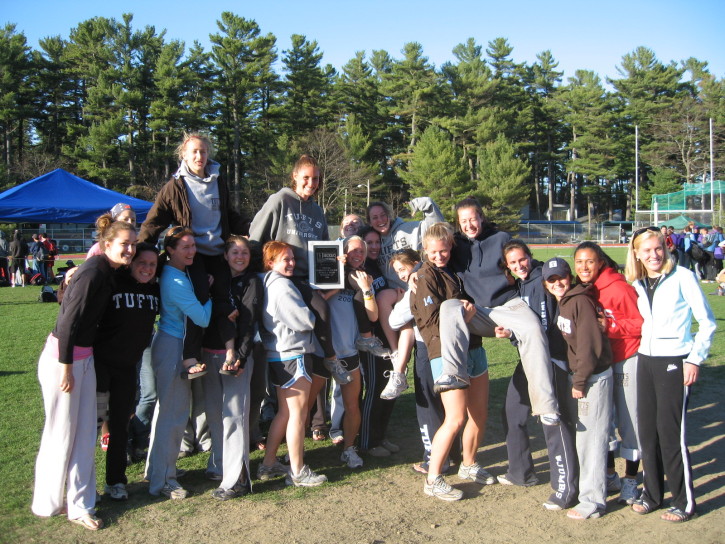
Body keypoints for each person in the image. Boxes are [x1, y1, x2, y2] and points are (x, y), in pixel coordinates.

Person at [31, 219, 137, 531]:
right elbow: (67, 321)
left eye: (133, 243)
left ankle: (78, 501)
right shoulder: (94, 272)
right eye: (124, 244)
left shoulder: (108, 271)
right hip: (64, 361)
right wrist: (66, 367)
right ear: (107, 245)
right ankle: (52, 501)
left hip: (84, 358)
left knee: (83, 434)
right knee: (62, 433)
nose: (129, 250)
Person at [438, 198, 558, 425]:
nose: (469, 225)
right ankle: (453, 373)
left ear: (481, 217)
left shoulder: (501, 239)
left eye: (473, 219)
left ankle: (546, 406)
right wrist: (415, 271)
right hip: (478, 311)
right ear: (458, 223)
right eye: (463, 221)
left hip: (509, 306)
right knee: (448, 307)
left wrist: (549, 273)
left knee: (533, 330)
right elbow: (435, 252)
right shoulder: (455, 244)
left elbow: (522, 259)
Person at [626, 227, 716, 522]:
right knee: (647, 433)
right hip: (645, 360)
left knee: (670, 434)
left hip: (675, 361)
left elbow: (707, 322)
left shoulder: (683, 277)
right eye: (646, 250)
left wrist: (694, 360)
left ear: (665, 248)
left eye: (658, 249)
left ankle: (683, 501)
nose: (654, 255)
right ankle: (652, 494)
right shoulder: (637, 282)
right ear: (637, 254)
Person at [139, 133, 249, 371]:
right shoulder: (174, 187)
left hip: (218, 252)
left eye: (204, 151)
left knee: (225, 299)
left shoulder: (218, 181)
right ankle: (191, 357)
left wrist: (253, 230)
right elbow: (154, 222)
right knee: (199, 298)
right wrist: (138, 250)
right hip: (194, 255)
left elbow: (229, 215)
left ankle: (231, 351)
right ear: (184, 155)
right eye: (194, 152)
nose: (200, 156)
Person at [249, 154, 350, 386]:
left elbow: (324, 247)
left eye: (316, 179)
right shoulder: (280, 200)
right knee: (280, 336)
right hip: (281, 277)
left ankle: (327, 364)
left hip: (306, 278)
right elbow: (256, 238)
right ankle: (273, 396)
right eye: (306, 178)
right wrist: (259, 276)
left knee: (320, 313)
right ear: (295, 177)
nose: (311, 183)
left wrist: (336, 261)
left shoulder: (317, 211)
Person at [411, 222, 494, 501]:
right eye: (433, 252)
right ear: (424, 250)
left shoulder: (457, 268)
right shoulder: (424, 276)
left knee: (478, 414)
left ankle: (469, 465)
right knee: (455, 418)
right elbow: (431, 324)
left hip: (474, 349)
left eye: (444, 250)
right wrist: (465, 319)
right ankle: (433, 478)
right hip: (445, 354)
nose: (439, 256)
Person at [497, 241, 578, 510]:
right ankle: (521, 473)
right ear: (507, 266)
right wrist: (511, 333)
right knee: (513, 409)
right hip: (528, 359)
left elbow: (543, 327)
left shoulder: (540, 280)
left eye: (522, 259)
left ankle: (565, 488)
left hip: (550, 361)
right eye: (513, 263)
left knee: (553, 423)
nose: (519, 265)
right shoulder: (519, 285)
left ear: (530, 258)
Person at [543, 257, 613, 520]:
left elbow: (588, 345)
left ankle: (593, 501)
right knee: (588, 437)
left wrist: (580, 380)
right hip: (585, 374)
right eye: (551, 279)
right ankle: (598, 489)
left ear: (569, 277)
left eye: (561, 277)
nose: (557, 283)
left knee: (591, 440)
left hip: (593, 377)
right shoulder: (566, 301)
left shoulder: (579, 301)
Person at [574, 242, 643, 505]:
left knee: (629, 422)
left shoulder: (618, 288)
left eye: (589, 261)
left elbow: (642, 323)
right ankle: (611, 474)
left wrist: (611, 325)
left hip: (625, 359)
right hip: (601, 363)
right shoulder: (584, 290)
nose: (584, 267)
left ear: (600, 262)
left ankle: (631, 481)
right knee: (603, 422)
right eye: (579, 262)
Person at [146, 227, 212, 500]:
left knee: (167, 414)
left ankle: (158, 470)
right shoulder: (176, 280)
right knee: (173, 418)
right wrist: (208, 293)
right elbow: (203, 318)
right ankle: (163, 481)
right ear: (170, 250)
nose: (191, 251)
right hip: (172, 348)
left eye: (193, 246)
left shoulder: (175, 274)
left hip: (168, 344)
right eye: (185, 247)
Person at [256, 241, 328, 487]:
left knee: (285, 413)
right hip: (293, 353)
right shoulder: (283, 287)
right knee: (298, 414)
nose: (291, 263)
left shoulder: (266, 283)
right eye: (284, 259)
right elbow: (305, 321)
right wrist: (310, 310)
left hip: (278, 353)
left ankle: (268, 463)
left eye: (292, 259)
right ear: (271, 263)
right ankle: (297, 471)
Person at [94, 242, 160, 501]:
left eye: (152, 264)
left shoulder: (156, 289)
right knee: (92, 427)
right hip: (100, 364)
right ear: (131, 262)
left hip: (126, 368)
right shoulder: (114, 281)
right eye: (142, 263)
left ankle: (115, 482)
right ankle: (84, 485)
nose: (146, 268)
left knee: (120, 425)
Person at [203, 235, 263, 500]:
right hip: (211, 352)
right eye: (235, 252)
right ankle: (220, 465)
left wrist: (240, 356)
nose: (240, 257)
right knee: (216, 415)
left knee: (235, 417)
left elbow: (249, 322)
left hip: (237, 359)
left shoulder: (251, 282)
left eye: (245, 253)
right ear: (225, 255)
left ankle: (238, 479)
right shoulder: (217, 279)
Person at [324, 235, 374, 468]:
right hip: (322, 352)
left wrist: (365, 289)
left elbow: (372, 315)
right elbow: (318, 297)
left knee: (352, 405)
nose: (357, 254)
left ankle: (349, 449)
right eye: (353, 250)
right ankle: (297, 455)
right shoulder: (329, 272)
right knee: (303, 407)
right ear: (343, 251)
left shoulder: (364, 278)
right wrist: (336, 274)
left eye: (361, 251)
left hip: (348, 353)